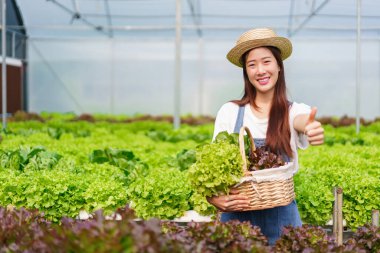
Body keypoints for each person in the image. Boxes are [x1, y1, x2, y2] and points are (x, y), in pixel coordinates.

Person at [207, 27, 324, 245]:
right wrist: (213, 198)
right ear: (246, 72)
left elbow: (302, 120)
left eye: (266, 61)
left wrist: (310, 127)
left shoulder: (293, 111)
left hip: (282, 223)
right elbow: (212, 170)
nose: (260, 70)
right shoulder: (229, 112)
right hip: (236, 225)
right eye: (252, 64)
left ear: (279, 66)